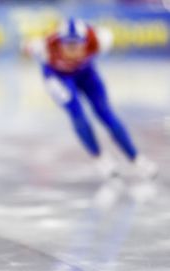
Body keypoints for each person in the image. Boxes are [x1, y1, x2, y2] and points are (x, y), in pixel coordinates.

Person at [22, 18, 158, 179]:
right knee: (78, 115)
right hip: (57, 77)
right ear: (60, 42)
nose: (72, 50)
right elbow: (25, 48)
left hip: (86, 74)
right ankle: (100, 158)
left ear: (85, 42)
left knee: (106, 114)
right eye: (68, 45)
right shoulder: (44, 46)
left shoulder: (101, 40)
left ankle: (137, 159)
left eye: (76, 45)